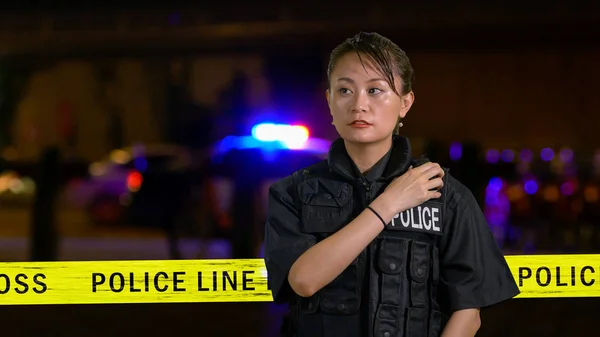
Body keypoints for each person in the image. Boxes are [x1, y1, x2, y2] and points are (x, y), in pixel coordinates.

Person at [263, 31, 520, 337]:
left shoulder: (443, 193)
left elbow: (468, 312)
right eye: (345, 90)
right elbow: (303, 281)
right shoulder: (293, 193)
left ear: (405, 103)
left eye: (375, 90)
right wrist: (389, 204)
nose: (359, 104)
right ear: (329, 100)